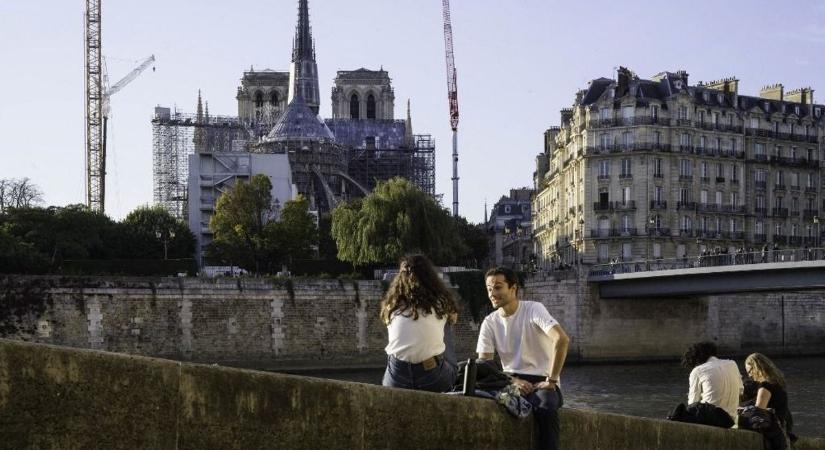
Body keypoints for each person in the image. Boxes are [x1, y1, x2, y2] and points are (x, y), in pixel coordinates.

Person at [477, 267, 570, 450]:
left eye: (498, 287)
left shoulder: (533, 309)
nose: (492, 294)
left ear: (513, 288)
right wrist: (512, 380)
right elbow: (484, 364)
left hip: (541, 381)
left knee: (545, 408)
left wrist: (551, 380)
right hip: (509, 380)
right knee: (483, 405)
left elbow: (561, 339)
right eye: (489, 289)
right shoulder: (489, 322)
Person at [381, 254, 458, 393]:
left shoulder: (391, 306)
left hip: (396, 377)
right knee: (445, 323)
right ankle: (450, 368)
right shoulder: (441, 303)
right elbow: (454, 318)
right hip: (432, 377)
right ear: (430, 277)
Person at [676, 342, 743, 427]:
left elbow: (693, 402)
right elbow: (740, 391)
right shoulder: (732, 364)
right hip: (731, 420)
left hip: (711, 419)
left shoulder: (698, 370)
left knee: (679, 413)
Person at [742, 353, 794, 449]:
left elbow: (759, 412)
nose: (749, 376)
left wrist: (741, 410)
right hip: (781, 431)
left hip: (773, 433)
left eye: (749, 371)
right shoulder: (778, 383)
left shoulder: (766, 386)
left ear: (757, 368)